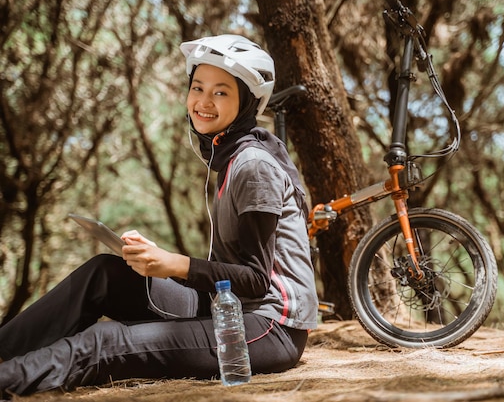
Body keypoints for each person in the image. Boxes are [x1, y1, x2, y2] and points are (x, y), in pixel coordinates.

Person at [0, 34, 318, 397]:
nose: (203, 101)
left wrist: (174, 264)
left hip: (268, 327)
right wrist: (156, 260)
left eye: (221, 92)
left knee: (102, 343)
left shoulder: (253, 166)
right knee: (104, 274)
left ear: (246, 101)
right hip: (226, 307)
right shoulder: (229, 156)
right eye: (198, 87)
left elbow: (256, 281)